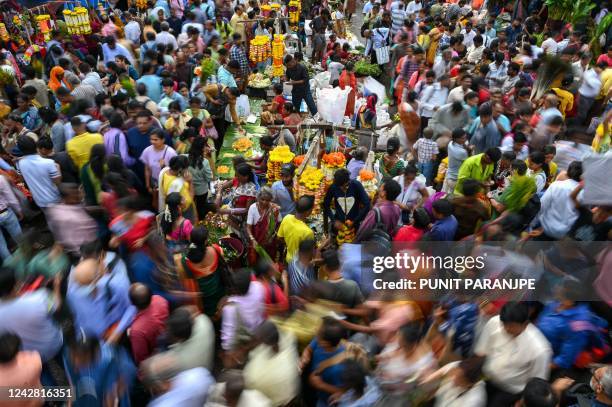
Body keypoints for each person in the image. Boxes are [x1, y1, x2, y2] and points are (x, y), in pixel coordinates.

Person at [475, 302, 552, 407]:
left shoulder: (540, 349)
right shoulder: (494, 323)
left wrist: (522, 402)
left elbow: (537, 383)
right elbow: (481, 351)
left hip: (509, 391)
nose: (506, 329)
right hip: (486, 378)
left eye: (511, 326)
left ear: (525, 325)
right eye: (504, 324)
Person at [128, 283, 170, 365]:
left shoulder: (137, 331)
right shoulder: (160, 300)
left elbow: (141, 360)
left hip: (156, 361)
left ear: (132, 303)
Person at [323, 169, 371, 239]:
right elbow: (326, 204)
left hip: (355, 224)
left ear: (348, 181)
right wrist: (334, 220)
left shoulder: (356, 185)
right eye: (340, 187)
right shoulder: (334, 187)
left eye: (345, 186)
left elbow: (367, 204)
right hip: (339, 224)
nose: (342, 189)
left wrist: (354, 221)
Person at [277, 195, 315, 262]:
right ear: (309, 212)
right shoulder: (308, 232)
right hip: (299, 265)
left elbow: (279, 238)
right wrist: (323, 245)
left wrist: (290, 244)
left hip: (288, 259)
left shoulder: (287, 218)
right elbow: (309, 254)